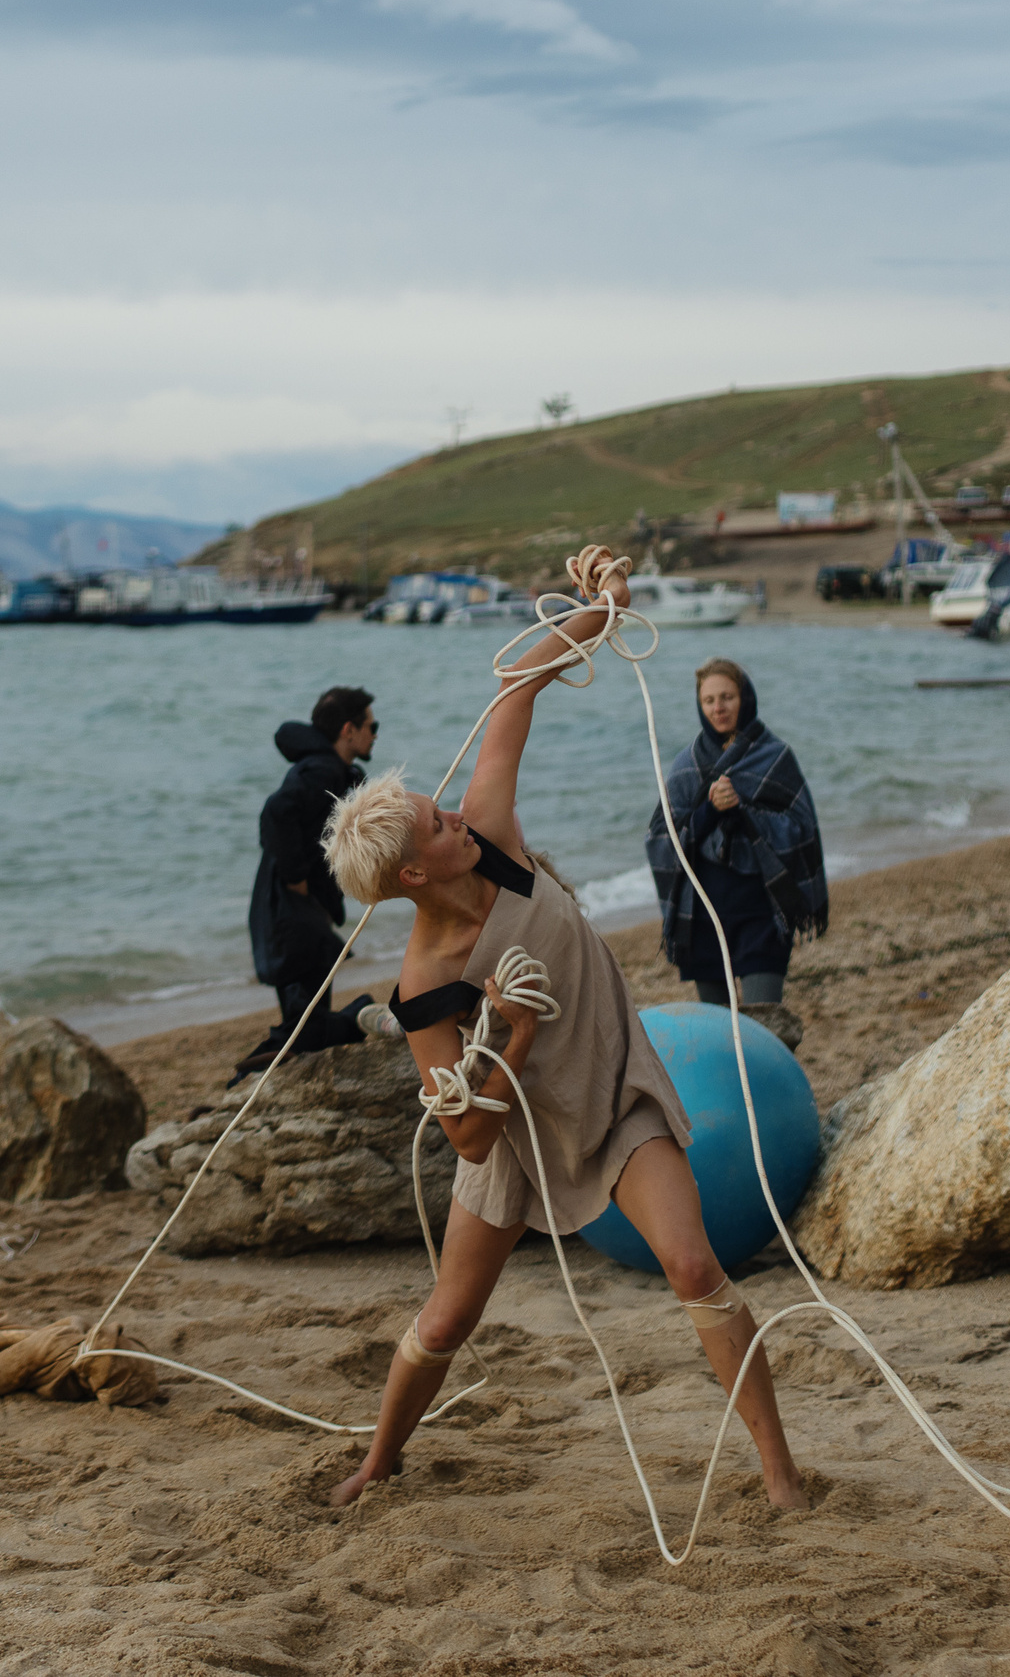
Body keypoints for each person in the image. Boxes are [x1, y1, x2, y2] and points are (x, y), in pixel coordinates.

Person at [318, 545, 808, 1513]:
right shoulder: (427, 980)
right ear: (414, 874)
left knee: (695, 1267)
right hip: (515, 1128)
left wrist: (604, 604)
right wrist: (511, 1032)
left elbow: (520, 684)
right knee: (451, 1317)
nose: (454, 813)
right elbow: (466, 1133)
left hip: (615, 1090)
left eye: (440, 805)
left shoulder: (493, 844)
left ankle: (781, 1475)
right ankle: (379, 1461)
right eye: (436, 823)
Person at [643, 658, 828, 1008]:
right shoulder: (687, 763)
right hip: (702, 917)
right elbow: (659, 838)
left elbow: (802, 828)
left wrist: (743, 807)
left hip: (762, 915)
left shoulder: (776, 756)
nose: (718, 708)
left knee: (766, 1023)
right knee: (721, 1037)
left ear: (745, 698)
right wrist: (711, 810)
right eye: (709, 700)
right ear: (699, 706)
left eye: (727, 697)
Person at [240, 687, 382, 1073]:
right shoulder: (322, 769)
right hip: (291, 911)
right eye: (372, 725)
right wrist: (299, 880)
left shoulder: (333, 770)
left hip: (293, 909)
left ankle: (267, 1071)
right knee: (305, 1025)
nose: (375, 734)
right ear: (349, 730)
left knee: (304, 1021)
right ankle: (361, 1015)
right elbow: (276, 813)